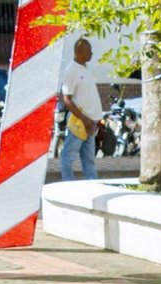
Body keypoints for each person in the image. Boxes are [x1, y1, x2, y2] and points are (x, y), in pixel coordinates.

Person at [59, 37, 103, 181]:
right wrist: (84, 119)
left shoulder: (84, 69)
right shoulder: (71, 70)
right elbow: (67, 99)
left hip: (91, 123)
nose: (91, 53)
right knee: (68, 157)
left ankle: (93, 185)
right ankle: (69, 184)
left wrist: (93, 120)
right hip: (80, 122)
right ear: (78, 52)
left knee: (89, 159)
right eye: (88, 51)